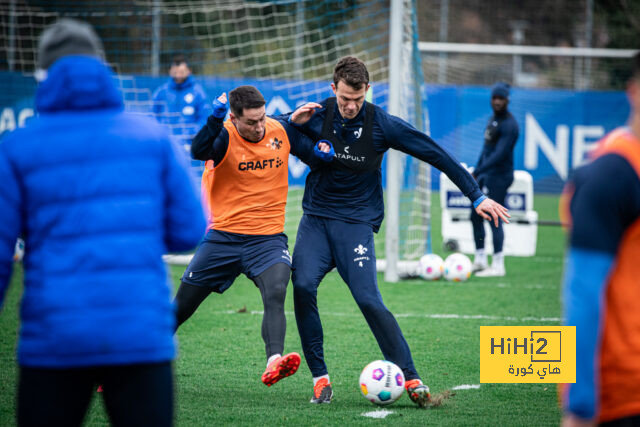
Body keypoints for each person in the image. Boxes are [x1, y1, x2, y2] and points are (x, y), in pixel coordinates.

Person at [0, 19, 206, 426]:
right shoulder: (153, 138)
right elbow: (189, 229)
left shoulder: (17, 146)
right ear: (102, 66)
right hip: (141, 335)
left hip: (55, 336)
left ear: (43, 74)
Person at [288, 56, 510, 405]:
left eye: (358, 100)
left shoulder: (382, 124)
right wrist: (290, 121)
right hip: (315, 220)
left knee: (367, 299)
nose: (350, 106)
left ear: (368, 93)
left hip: (356, 223)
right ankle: (320, 378)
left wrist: (475, 195)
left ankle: (411, 377)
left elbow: (435, 153)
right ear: (333, 89)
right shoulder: (315, 115)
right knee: (301, 285)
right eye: (344, 98)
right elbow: (267, 131)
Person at [173, 85, 332, 388]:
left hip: (268, 240)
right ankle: (126, 367)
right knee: (180, 309)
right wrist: (212, 120)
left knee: (276, 291)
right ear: (233, 117)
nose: (259, 127)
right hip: (222, 238)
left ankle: (274, 360)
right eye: (251, 122)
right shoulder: (222, 137)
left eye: (262, 119)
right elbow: (198, 150)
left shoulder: (278, 129)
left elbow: (311, 154)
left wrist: (323, 154)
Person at [561, 52, 640, 427]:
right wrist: (580, 405)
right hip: (627, 399)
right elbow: (583, 294)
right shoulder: (613, 173)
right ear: (634, 93)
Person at [471, 82, 519, 277]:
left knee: (494, 218)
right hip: (485, 173)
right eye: (494, 98)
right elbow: (486, 149)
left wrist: (481, 169)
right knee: (475, 215)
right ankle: (480, 259)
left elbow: (499, 154)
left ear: (507, 100)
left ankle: (498, 264)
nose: (497, 102)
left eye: (501, 99)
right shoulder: (493, 120)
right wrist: (477, 170)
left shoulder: (511, 125)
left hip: (500, 176)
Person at [152, 54, 212, 151]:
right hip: (166, 143)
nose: (178, 75)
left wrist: (191, 134)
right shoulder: (161, 92)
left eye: (181, 72)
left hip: (189, 145)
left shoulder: (198, 93)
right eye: (175, 72)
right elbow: (153, 115)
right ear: (170, 71)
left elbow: (204, 118)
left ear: (189, 71)